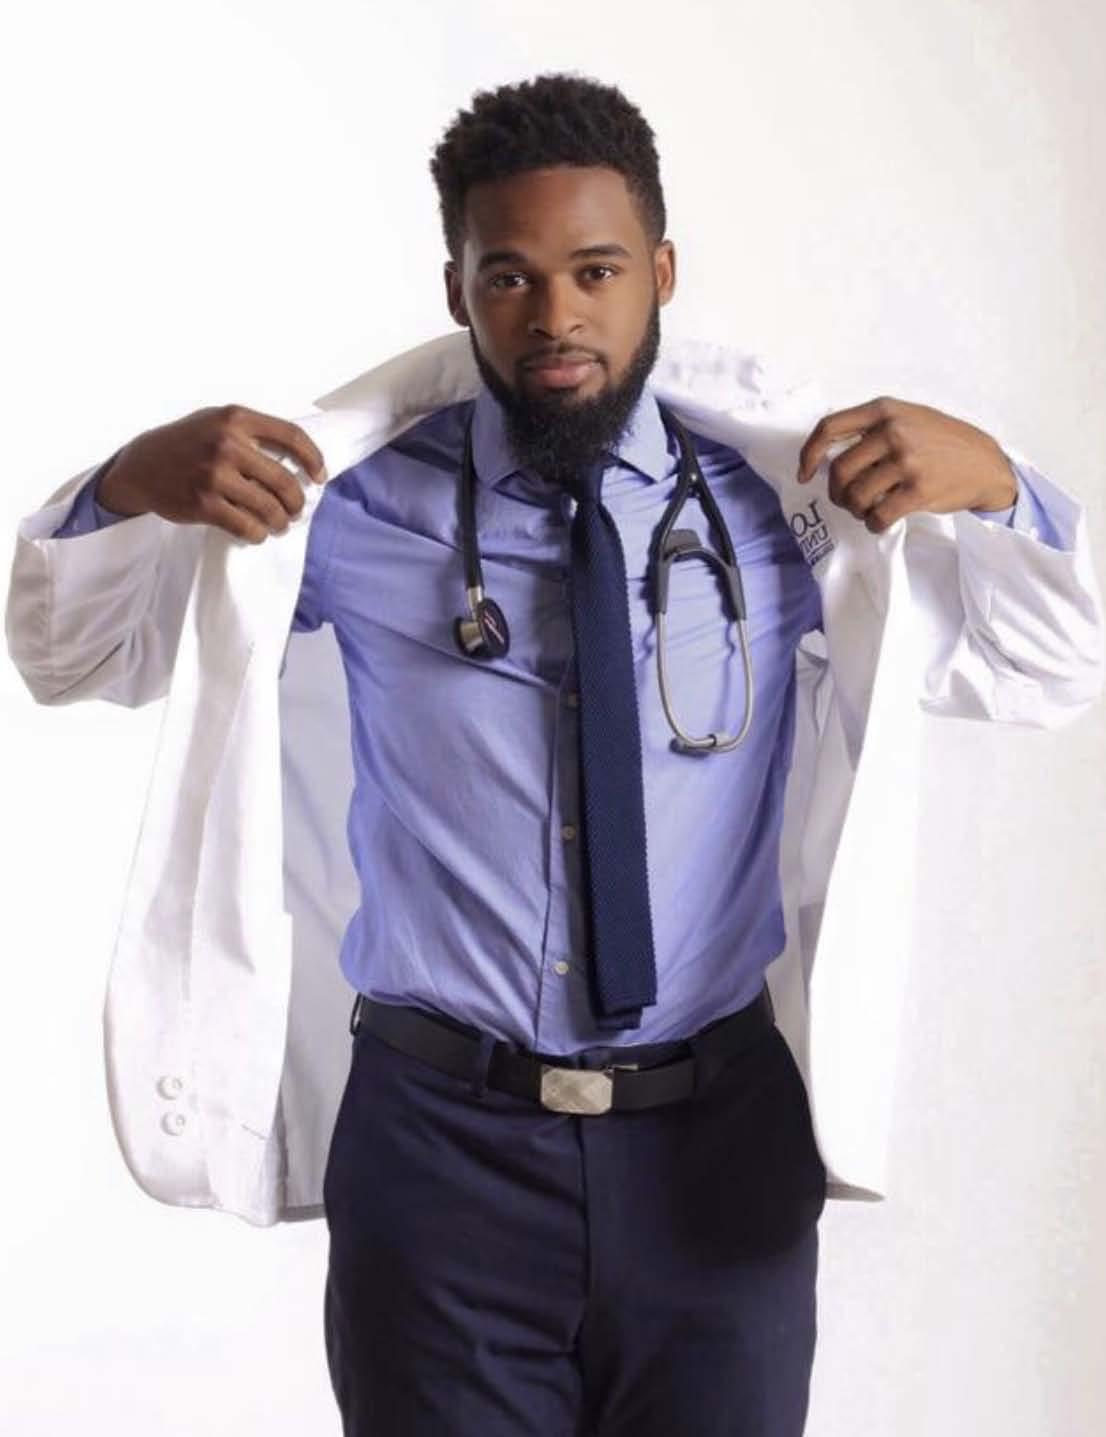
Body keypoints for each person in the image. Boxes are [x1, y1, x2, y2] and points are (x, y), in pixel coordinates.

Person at [19, 71, 1089, 1437]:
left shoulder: (783, 509)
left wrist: (1000, 484)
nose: (555, 317)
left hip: (715, 1143)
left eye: (595, 270)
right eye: (509, 277)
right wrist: (126, 486)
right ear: (457, 290)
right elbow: (73, 653)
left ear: (661, 272)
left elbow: (1047, 661)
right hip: (440, 1152)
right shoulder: (346, 509)